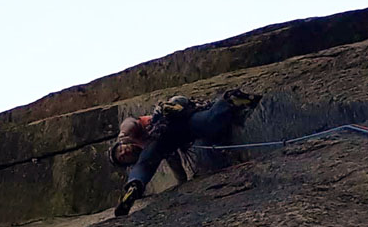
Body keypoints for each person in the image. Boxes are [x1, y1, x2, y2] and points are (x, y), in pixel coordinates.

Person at [110, 89, 262, 217]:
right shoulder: (150, 152)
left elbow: (130, 123)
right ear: (129, 162)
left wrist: (123, 134)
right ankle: (230, 101)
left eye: (121, 149)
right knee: (208, 123)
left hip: (167, 123)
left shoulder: (134, 134)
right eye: (123, 157)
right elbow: (176, 167)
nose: (125, 152)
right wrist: (182, 184)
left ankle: (169, 109)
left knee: (147, 159)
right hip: (183, 132)